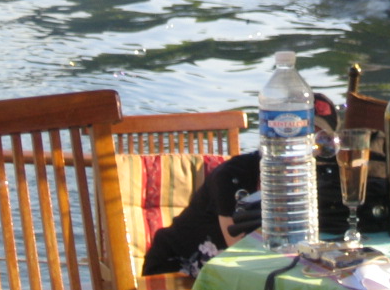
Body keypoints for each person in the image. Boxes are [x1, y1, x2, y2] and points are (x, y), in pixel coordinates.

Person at [141, 94, 339, 277]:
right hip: (175, 269)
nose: (305, 145)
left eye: (318, 139)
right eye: (298, 132)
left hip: (233, 273)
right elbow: (242, 252)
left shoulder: (318, 179)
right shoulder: (233, 175)